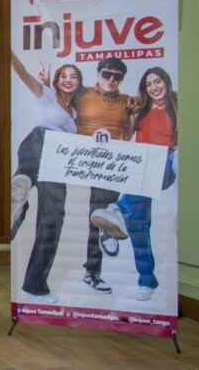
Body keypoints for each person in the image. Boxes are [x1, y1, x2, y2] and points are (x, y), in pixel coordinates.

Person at [90, 67, 177, 302]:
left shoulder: (177, 104)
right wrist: (129, 114)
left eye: (158, 81)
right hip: (141, 164)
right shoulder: (141, 109)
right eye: (149, 84)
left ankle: (118, 210)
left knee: (132, 206)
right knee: (139, 225)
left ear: (167, 82)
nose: (154, 87)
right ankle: (147, 280)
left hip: (166, 163)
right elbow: (127, 137)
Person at [9, 53, 84, 304]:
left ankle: (35, 286)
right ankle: (19, 189)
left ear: (79, 82)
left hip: (58, 161)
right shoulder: (46, 94)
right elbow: (22, 72)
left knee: (53, 219)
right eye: (64, 75)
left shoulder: (75, 113)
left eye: (73, 76)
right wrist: (6, 49)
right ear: (57, 79)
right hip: (39, 142)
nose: (68, 79)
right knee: (30, 168)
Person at [73, 57, 131, 294]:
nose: (111, 80)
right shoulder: (82, 94)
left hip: (114, 162)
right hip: (82, 159)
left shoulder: (128, 101)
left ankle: (93, 270)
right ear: (97, 73)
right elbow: (55, 96)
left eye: (117, 77)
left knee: (101, 211)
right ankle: (93, 270)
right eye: (107, 74)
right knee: (96, 213)